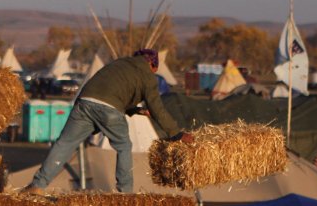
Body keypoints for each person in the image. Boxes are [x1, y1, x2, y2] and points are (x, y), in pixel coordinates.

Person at [21, 49, 193, 194]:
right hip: (108, 108)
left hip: (84, 102)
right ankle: (125, 192)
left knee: (64, 143)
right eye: (155, 69)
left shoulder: (119, 64)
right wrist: (176, 134)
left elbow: (112, 93)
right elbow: (157, 107)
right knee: (124, 146)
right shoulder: (147, 74)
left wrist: (137, 110)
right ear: (152, 65)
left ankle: (38, 185)